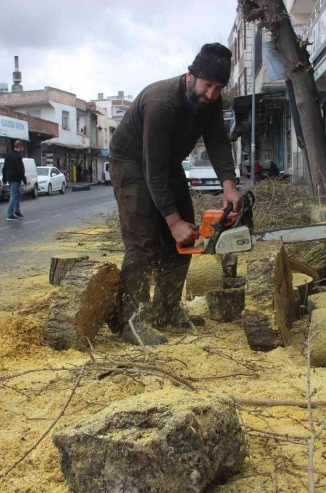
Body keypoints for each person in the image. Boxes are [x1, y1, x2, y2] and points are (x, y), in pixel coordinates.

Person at [109, 43, 242, 346]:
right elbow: (151, 168)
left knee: (188, 235)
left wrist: (229, 185)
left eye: (218, 88)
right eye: (207, 85)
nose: (211, 94)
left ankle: (166, 311)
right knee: (142, 242)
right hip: (131, 162)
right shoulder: (161, 102)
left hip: (166, 163)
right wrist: (171, 221)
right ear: (191, 75)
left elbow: (219, 142)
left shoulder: (210, 103)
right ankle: (133, 322)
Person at [2, 141, 27, 221]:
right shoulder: (18, 157)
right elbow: (20, 170)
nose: (22, 149)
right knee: (14, 195)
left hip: (9, 178)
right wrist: (24, 180)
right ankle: (10, 214)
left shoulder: (8, 156)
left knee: (18, 194)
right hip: (15, 178)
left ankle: (17, 211)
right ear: (19, 147)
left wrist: (4, 180)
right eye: (21, 148)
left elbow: (4, 168)